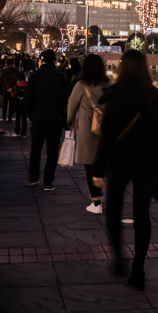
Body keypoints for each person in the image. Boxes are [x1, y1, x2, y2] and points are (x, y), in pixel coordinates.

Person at [92, 49, 158, 290]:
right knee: (142, 216)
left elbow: (107, 137)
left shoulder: (114, 95)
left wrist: (98, 169)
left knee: (114, 212)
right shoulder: (153, 95)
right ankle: (138, 268)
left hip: (119, 163)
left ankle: (119, 258)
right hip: (147, 163)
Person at [67, 53, 111, 214]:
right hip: (107, 128)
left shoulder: (81, 85)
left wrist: (69, 121)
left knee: (89, 165)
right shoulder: (109, 84)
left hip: (87, 129)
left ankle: (96, 201)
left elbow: (71, 105)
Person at [25, 50, 70, 191]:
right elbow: (65, 99)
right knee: (52, 152)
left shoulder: (34, 76)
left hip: (38, 118)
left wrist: (30, 114)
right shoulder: (61, 77)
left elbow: (29, 98)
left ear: (42, 60)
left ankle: (33, 176)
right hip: (55, 119)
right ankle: (48, 181)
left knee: (36, 149)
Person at [0, 58, 20, 122]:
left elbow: (0, 81)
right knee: (12, 103)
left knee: (4, 104)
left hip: (4, 89)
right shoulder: (16, 70)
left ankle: (4, 116)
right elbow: (18, 80)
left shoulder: (3, 70)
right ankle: (10, 117)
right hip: (13, 89)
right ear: (13, 63)